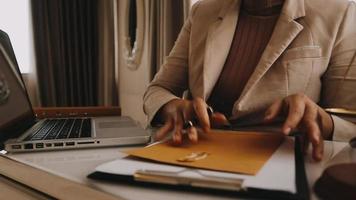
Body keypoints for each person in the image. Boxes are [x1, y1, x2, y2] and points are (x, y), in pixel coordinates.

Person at [143, 0, 356, 161]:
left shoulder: (339, 13)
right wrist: (171, 107)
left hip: (283, 162)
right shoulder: (203, 11)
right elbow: (158, 88)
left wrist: (321, 121)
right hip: (198, 156)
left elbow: (350, 123)